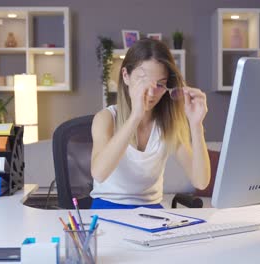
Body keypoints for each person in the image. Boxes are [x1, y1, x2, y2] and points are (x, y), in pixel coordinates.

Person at [90, 38, 210, 209]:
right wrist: (135, 116)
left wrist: (196, 125)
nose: (152, 92)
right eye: (143, 80)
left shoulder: (167, 123)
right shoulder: (106, 119)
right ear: (126, 76)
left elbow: (201, 181)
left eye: (160, 84)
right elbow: (99, 174)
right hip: (107, 207)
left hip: (151, 210)